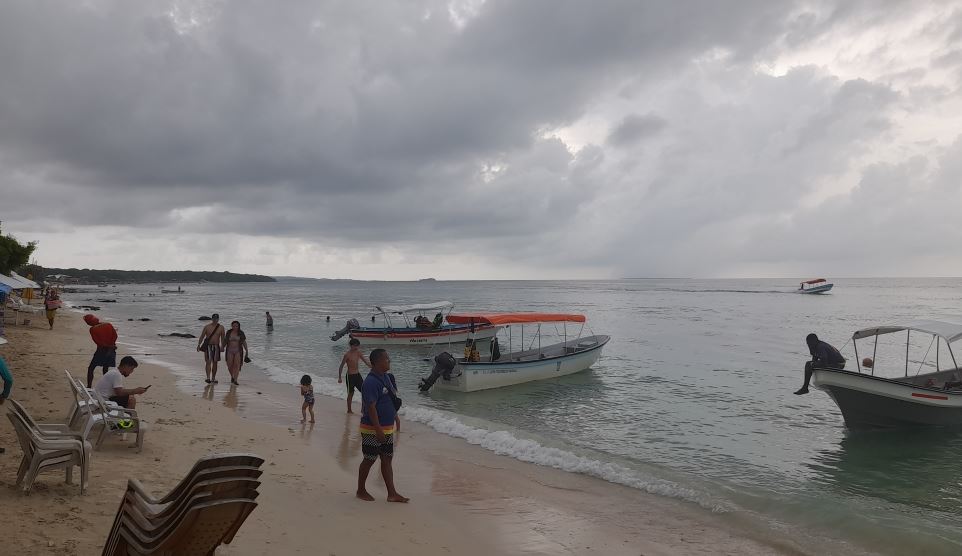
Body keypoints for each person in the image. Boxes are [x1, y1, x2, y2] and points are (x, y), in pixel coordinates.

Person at [356, 348, 408, 503]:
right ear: (377, 362)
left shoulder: (386, 377)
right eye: (386, 359)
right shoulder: (370, 382)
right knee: (370, 458)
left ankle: (392, 493)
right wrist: (378, 429)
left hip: (387, 427)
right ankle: (360, 490)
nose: (389, 361)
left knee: (387, 458)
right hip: (372, 429)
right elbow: (370, 407)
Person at [84, 314, 118, 388]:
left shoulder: (93, 329)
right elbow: (115, 336)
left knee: (91, 368)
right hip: (112, 349)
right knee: (106, 368)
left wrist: (108, 346)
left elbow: (98, 342)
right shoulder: (108, 324)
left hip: (101, 350)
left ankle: (89, 386)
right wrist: (111, 345)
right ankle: (107, 386)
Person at [338, 338, 371, 413]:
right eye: (355, 346)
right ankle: (349, 410)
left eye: (357, 346)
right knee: (351, 393)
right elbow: (341, 366)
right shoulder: (347, 355)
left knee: (364, 391)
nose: (356, 347)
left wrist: (373, 367)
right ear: (351, 345)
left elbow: (366, 362)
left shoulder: (358, 353)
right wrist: (340, 377)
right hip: (350, 376)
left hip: (357, 375)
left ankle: (363, 409)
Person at [197, 314, 225, 384]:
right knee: (208, 362)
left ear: (218, 319)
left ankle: (213, 378)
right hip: (208, 346)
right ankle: (208, 377)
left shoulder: (221, 327)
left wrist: (222, 346)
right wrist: (198, 345)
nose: (215, 320)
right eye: (214, 318)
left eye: (216, 318)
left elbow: (223, 338)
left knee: (215, 363)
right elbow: (202, 336)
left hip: (216, 346)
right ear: (212, 319)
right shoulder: (207, 327)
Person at [224, 320, 248, 386]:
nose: (235, 327)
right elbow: (225, 340)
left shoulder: (241, 333)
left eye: (236, 326)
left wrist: (247, 350)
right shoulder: (229, 332)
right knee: (229, 365)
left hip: (238, 350)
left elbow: (244, 342)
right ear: (231, 326)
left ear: (238, 326)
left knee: (237, 365)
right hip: (229, 350)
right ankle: (232, 376)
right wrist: (222, 347)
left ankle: (235, 380)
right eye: (233, 326)